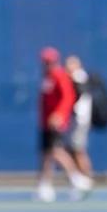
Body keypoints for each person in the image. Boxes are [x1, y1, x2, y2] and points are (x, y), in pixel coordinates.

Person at [36, 46, 92, 202]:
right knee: (46, 154)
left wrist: (59, 115)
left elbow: (68, 98)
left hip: (55, 123)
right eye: (45, 62)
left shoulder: (60, 76)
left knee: (56, 151)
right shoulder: (47, 77)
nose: (47, 64)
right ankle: (45, 186)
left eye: (49, 61)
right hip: (45, 123)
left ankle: (77, 179)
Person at [64, 54, 94, 181]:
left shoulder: (78, 77)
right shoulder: (76, 78)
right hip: (77, 120)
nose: (68, 67)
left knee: (78, 150)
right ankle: (81, 178)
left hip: (80, 120)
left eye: (71, 64)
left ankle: (86, 178)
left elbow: (76, 97)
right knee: (72, 149)